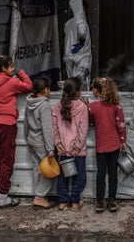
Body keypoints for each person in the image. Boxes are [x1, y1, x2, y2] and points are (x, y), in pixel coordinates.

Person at [0, 55, 33, 211]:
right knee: (7, 160)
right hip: (7, 124)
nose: (13, 69)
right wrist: (22, 73)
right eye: (11, 67)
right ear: (4, 69)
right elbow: (29, 86)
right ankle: (3, 197)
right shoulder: (12, 82)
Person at [88, 77, 127, 213]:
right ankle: (112, 200)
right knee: (113, 174)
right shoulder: (116, 105)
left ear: (97, 91)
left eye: (93, 88)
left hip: (101, 147)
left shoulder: (92, 107)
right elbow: (121, 125)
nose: (92, 91)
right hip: (115, 145)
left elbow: (91, 121)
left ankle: (100, 202)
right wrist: (123, 141)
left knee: (101, 174)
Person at [52, 77, 89, 211]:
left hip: (62, 150)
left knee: (62, 177)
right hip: (77, 151)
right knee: (79, 177)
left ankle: (62, 202)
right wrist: (77, 146)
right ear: (78, 92)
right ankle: (75, 202)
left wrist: (58, 144)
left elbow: (54, 127)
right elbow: (83, 129)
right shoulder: (82, 107)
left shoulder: (57, 106)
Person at [24, 76, 58, 209]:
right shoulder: (44, 106)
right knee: (48, 171)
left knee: (37, 168)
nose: (50, 91)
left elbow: (26, 123)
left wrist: (27, 138)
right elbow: (47, 129)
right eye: (49, 88)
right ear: (45, 90)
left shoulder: (29, 102)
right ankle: (39, 197)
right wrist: (50, 150)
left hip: (32, 140)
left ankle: (39, 195)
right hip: (42, 143)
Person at [63, 0, 92, 90]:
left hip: (69, 56)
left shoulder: (69, 22)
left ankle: (72, 101)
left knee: (71, 83)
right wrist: (79, 46)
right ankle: (80, 103)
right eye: (85, 8)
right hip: (81, 57)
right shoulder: (81, 21)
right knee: (81, 85)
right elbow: (82, 33)